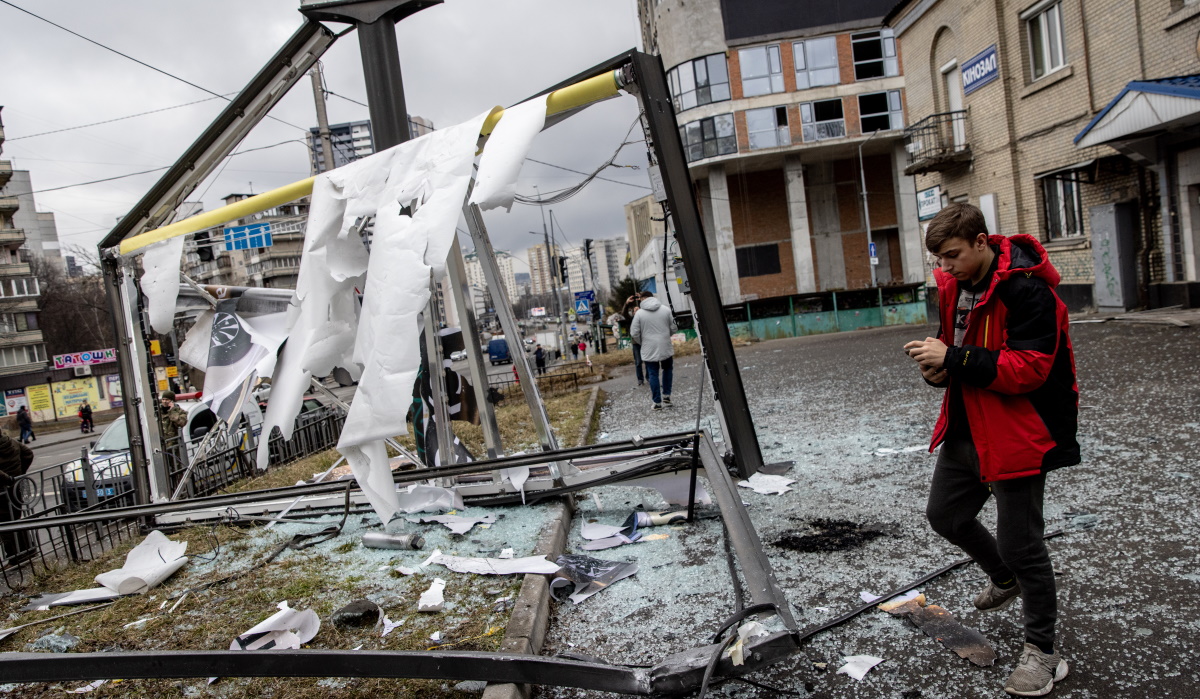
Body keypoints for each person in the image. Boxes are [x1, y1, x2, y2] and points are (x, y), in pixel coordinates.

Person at [904, 203, 1079, 698]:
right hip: (968, 426)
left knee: (1022, 544)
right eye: (938, 258)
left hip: (1019, 432)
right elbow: (955, 346)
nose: (945, 267)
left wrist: (954, 357)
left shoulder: (1027, 287)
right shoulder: (954, 286)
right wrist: (937, 367)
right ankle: (1006, 580)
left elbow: (1030, 369)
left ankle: (1043, 653)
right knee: (946, 516)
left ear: (982, 241)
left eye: (953, 255)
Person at [630, 293, 677, 410]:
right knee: (667, 369)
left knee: (653, 373)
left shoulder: (639, 314)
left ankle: (657, 402)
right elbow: (674, 328)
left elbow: (634, 333)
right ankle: (667, 395)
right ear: (653, 297)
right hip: (665, 344)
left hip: (648, 346)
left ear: (642, 299)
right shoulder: (665, 309)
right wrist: (666, 336)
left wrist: (642, 341)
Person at [0, 431, 35, 563]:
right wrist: (19, 474)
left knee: (6, 525)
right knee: (15, 519)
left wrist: (8, 479)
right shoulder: (11, 441)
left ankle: (16, 558)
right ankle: (27, 550)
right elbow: (28, 454)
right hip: (15, 489)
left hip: (2, 491)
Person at [622, 293, 646, 386]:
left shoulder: (644, 317)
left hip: (645, 341)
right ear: (633, 313)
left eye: (638, 309)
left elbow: (648, 307)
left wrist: (642, 299)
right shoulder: (631, 319)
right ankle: (640, 380)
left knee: (648, 360)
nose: (637, 310)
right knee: (638, 362)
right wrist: (627, 303)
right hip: (636, 343)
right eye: (635, 310)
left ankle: (649, 377)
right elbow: (624, 313)